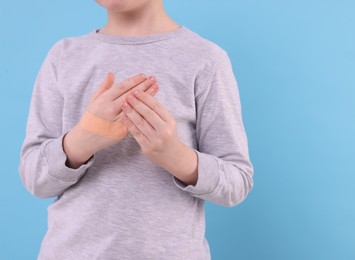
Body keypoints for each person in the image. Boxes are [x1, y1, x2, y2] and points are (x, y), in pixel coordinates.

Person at [18, 0, 254, 259]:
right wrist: (82, 140)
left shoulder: (206, 60)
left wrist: (175, 156)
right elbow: (34, 178)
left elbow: (237, 181)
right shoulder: (63, 56)